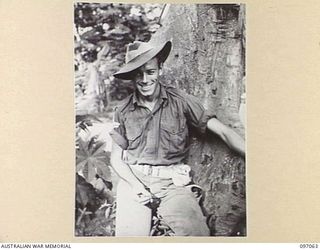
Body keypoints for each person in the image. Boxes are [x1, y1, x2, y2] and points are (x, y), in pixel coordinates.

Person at [109, 39, 245, 236]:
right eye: (139, 74)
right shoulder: (122, 110)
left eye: (150, 72)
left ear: (160, 69)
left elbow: (224, 132)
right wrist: (136, 186)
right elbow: (116, 158)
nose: (145, 80)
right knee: (130, 239)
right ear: (132, 77)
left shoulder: (181, 101)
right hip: (135, 180)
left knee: (196, 235)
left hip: (171, 182)